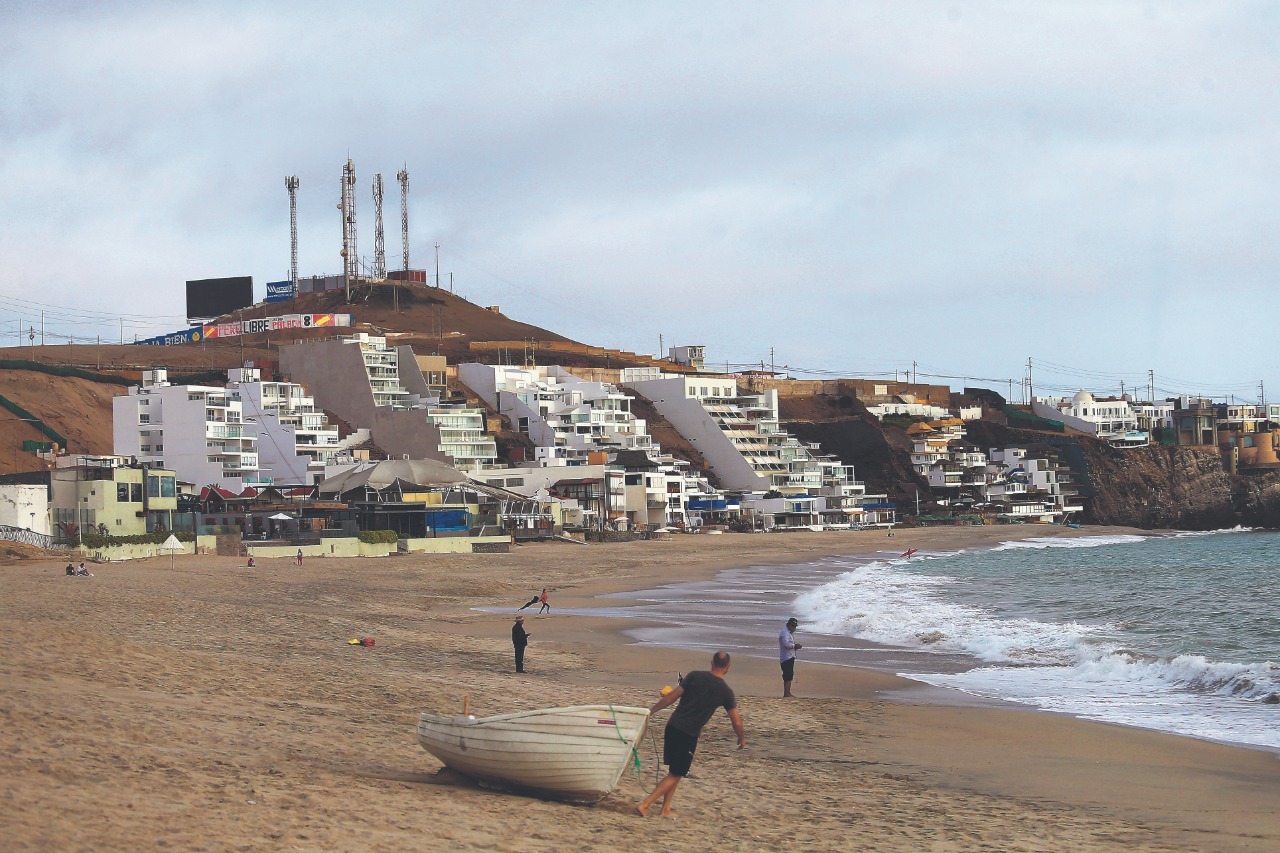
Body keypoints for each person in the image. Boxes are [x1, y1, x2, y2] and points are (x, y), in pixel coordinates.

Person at [636, 650, 744, 818]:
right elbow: (736, 721)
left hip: (672, 727)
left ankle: (665, 809)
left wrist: (652, 711)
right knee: (676, 773)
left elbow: (672, 697)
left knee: (676, 771)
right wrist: (741, 738)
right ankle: (645, 804)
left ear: (711, 663)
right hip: (687, 734)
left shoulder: (694, 676)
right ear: (728, 667)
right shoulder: (725, 691)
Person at [779, 617, 802, 698]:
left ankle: (787, 692)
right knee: (787, 675)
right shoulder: (785, 633)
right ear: (788, 625)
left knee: (789, 675)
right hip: (786, 657)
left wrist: (795, 647)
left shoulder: (788, 633)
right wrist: (795, 646)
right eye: (792, 626)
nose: (794, 628)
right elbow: (786, 644)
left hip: (789, 656)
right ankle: (787, 693)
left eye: (795, 626)